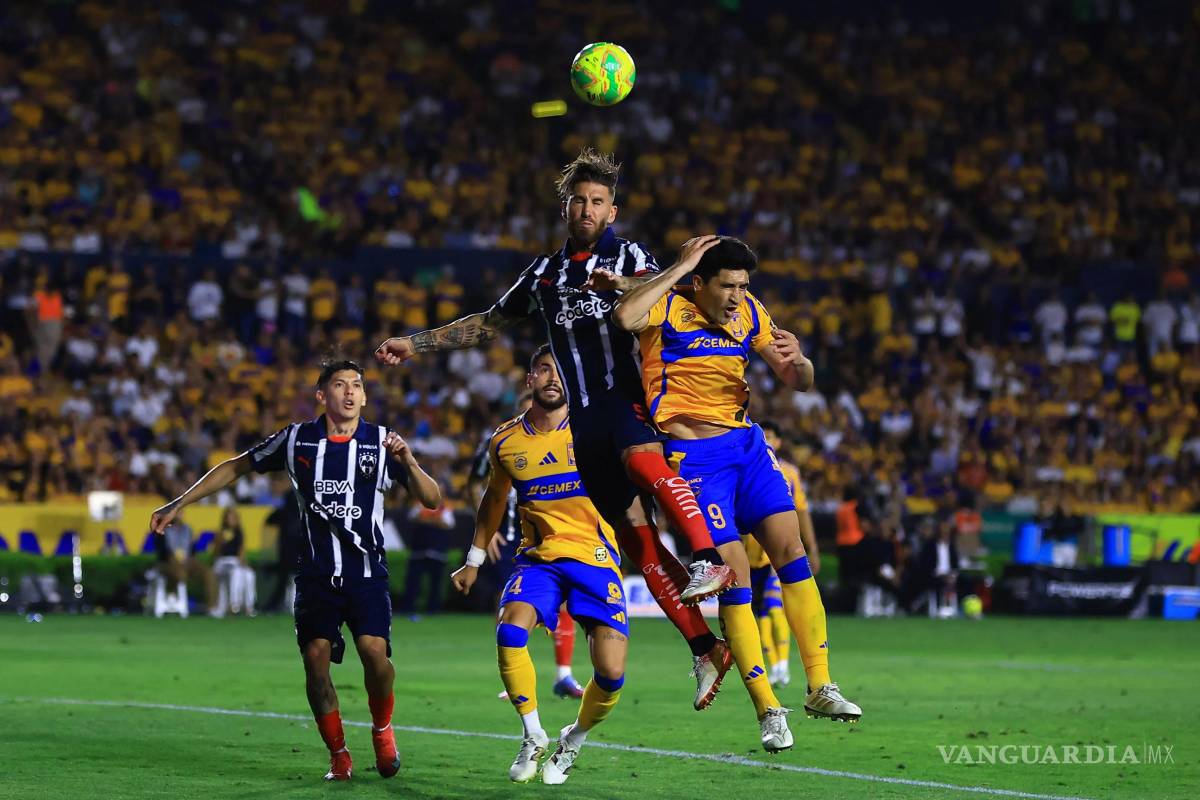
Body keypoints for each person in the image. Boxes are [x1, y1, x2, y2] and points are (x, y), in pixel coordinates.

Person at [377, 149, 734, 709]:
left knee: (644, 460)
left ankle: (708, 558)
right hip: (583, 423)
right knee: (639, 543)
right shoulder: (544, 275)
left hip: (627, 396)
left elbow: (680, 300)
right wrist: (416, 342)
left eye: (598, 201)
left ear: (613, 211)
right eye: (579, 200)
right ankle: (705, 646)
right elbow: (489, 322)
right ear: (566, 208)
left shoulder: (631, 255)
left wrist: (673, 272)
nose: (588, 209)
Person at [614, 235, 862, 752]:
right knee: (734, 575)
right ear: (700, 283)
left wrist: (801, 361)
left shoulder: (750, 313)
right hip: (694, 458)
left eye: (743, 286)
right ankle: (769, 709)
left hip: (747, 447)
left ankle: (820, 686)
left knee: (793, 553)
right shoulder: (666, 303)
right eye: (727, 285)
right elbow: (624, 317)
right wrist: (679, 267)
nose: (736, 295)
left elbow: (798, 380)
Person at [150, 357, 442, 782]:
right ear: (321, 395)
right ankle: (339, 754)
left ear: (363, 395)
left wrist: (410, 462)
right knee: (315, 660)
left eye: (356, 385)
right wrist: (181, 501)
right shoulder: (296, 440)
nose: (349, 392)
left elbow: (432, 499)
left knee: (374, 656)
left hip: (365, 572)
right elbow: (236, 466)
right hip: (316, 574)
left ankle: (382, 730)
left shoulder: (382, 442)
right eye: (339, 385)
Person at [450, 346, 627, 785]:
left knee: (610, 674)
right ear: (530, 379)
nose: (553, 378)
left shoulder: (596, 430)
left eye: (561, 371)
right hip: (539, 560)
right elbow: (493, 499)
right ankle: (533, 734)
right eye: (544, 369)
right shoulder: (506, 441)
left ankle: (575, 738)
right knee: (509, 631)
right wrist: (474, 557)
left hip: (595, 556)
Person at [469, 391, 585, 699]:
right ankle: (511, 670)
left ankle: (564, 674)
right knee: (508, 601)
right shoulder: (500, 440)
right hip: (507, 535)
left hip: (546, 535)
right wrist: (487, 531)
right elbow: (475, 484)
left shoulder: (567, 436)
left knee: (562, 601)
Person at [746, 420, 819, 688]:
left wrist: (811, 547)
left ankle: (782, 666)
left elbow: (801, 512)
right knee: (759, 615)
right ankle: (775, 665)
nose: (766, 440)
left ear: (778, 442)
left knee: (774, 609)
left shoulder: (789, 473)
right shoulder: (743, 468)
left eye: (771, 436)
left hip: (774, 556)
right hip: (748, 554)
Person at [212, 505, 256, 616]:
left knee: (249, 574)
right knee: (236, 572)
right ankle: (234, 605)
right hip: (222, 562)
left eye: (233, 517)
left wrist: (243, 562)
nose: (231, 520)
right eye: (228, 517)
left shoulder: (239, 532)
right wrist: (220, 540)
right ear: (225, 519)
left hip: (235, 561)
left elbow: (241, 551)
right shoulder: (220, 532)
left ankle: (249, 607)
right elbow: (216, 553)